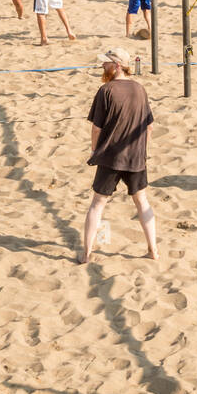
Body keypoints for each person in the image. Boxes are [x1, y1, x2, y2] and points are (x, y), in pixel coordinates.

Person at [81, 49, 157, 265]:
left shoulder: (106, 90)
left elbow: (96, 128)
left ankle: (86, 254)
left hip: (110, 156)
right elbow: (149, 126)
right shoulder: (140, 89)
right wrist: (142, 150)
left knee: (97, 203)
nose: (102, 67)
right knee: (142, 201)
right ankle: (153, 250)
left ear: (116, 66)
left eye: (105, 64)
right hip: (135, 156)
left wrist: (95, 151)